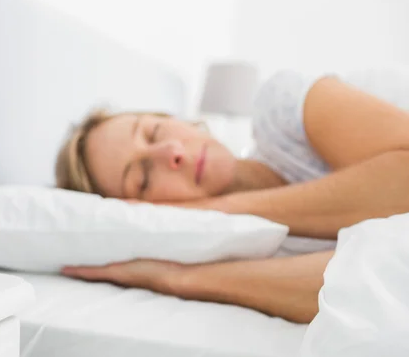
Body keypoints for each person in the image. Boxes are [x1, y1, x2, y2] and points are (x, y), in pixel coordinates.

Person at [53, 69, 409, 323]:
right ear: (144, 211)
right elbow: (359, 282)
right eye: (144, 178)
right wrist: (176, 279)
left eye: (155, 131)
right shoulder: (239, 253)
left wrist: (213, 208)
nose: (172, 151)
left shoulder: (282, 112)